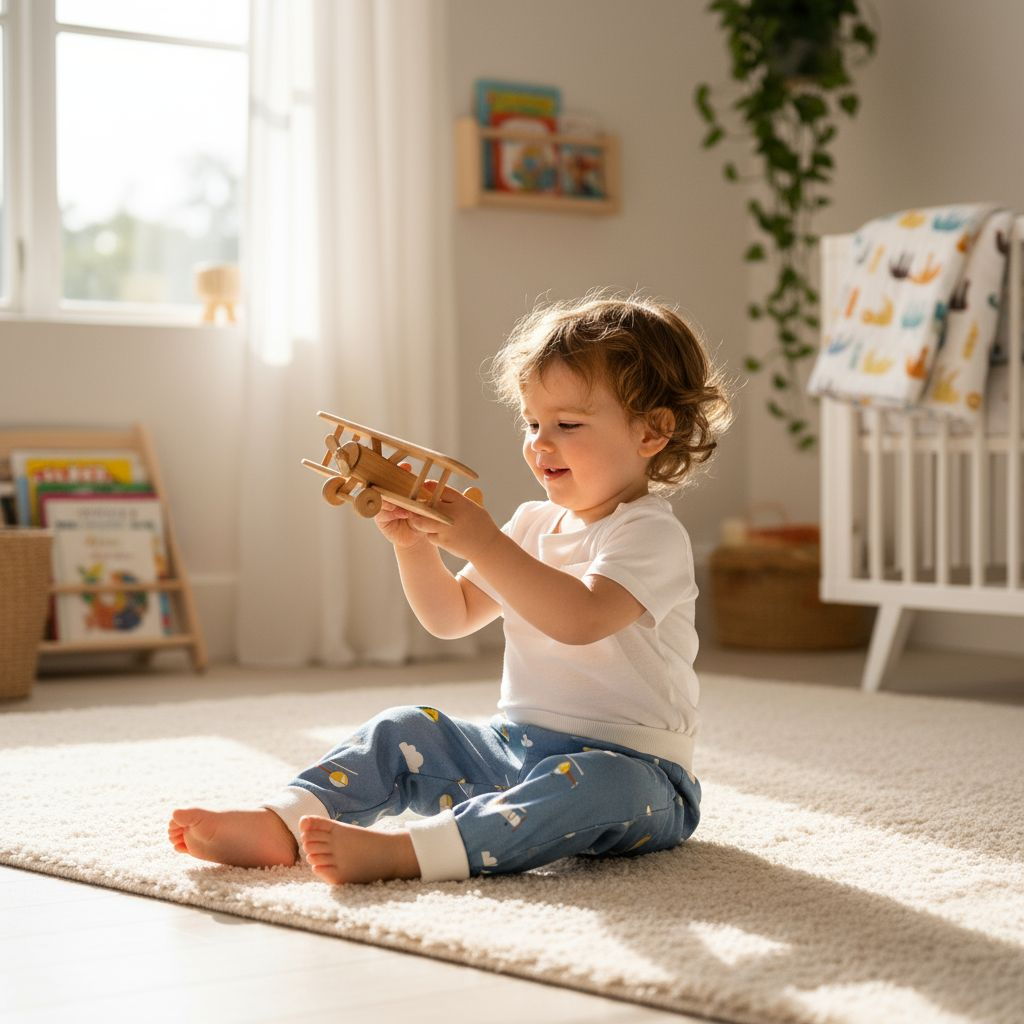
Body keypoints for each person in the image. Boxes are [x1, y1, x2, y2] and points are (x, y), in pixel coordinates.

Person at [168, 292, 732, 884]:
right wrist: (412, 545)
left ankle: (411, 854)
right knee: (404, 726)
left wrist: (486, 543)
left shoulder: (650, 535)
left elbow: (580, 618)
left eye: (567, 425)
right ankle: (282, 821)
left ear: (653, 433)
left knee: (595, 785)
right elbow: (451, 615)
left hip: (639, 776)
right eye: (532, 422)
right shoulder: (530, 524)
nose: (540, 443)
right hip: (514, 751)